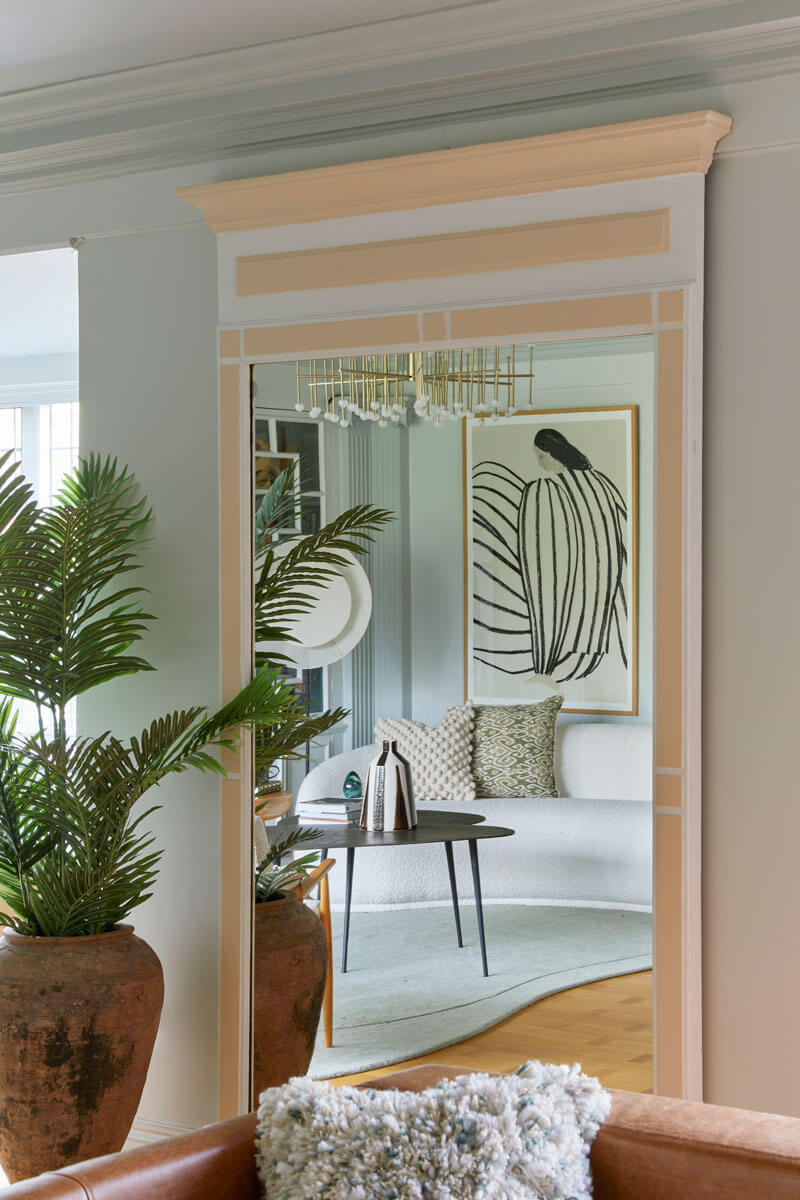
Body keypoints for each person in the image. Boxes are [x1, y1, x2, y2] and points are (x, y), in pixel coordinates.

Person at [472, 427, 628, 683]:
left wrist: (543, 665)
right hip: (597, 625)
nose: (539, 463)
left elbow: (543, 577)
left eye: (541, 457)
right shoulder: (602, 485)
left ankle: (543, 670)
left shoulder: (544, 491)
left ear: (553, 454)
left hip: (561, 629)